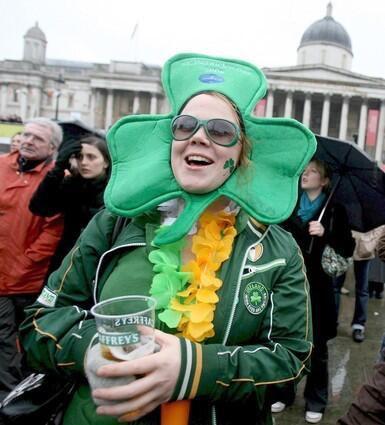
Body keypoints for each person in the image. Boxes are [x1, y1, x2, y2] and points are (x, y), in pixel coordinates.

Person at [20, 53, 316, 425]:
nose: (198, 138)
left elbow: (291, 359)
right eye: (185, 126)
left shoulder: (277, 250)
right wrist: (90, 350)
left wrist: (194, 369)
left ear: (242, 152)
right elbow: (38, 325)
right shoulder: (114, 223)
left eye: (220, 131)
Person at [272, 159, 355, 423]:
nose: (306, 174)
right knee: (286, 338)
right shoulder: (289, 202)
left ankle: (316, 400)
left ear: (325, 180)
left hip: (318, 289)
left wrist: (326, 233)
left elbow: (347, 248)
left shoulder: (334, 210)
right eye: (304, 170)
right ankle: (283, 392)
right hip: (288, 283)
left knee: (317, 346)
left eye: (313, 172)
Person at [0, 117, 64, 399]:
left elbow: (53, 230)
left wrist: (24, 263)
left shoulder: (55, 179)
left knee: (17, 339)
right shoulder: (2, 166)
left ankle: (15, 395)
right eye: (25, 134)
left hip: (26, 276)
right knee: (4, 339)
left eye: (36, 138)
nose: (27, 141)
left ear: (52, 147)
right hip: (4, 270)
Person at [29, 134, 111, 276]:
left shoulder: (113, 192)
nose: (84, 162)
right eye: (79, 157)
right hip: (66, 261)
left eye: (91, 157)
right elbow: (39, 208)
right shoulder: (72, 185)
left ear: (106, 162)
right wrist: (58, 169)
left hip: (98, 264)